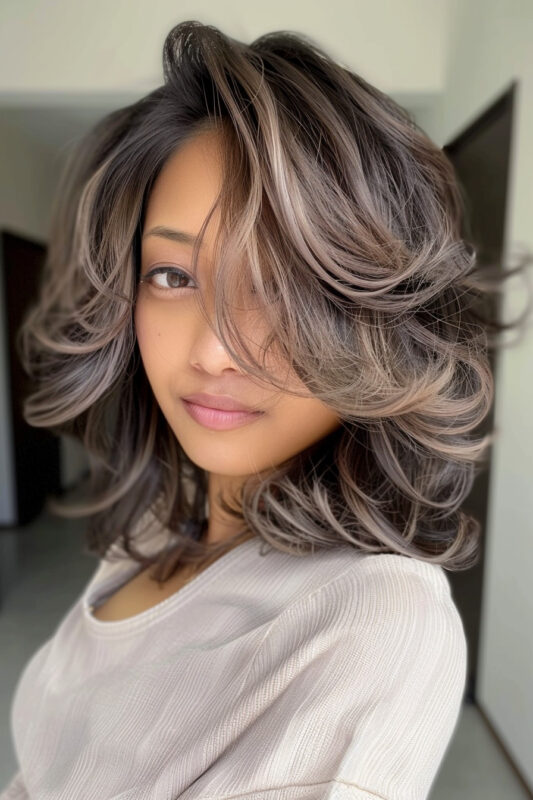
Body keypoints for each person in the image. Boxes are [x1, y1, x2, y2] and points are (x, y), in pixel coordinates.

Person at [1, 19, 529, 800]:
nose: (214, 350)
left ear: (380, 318)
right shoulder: (157, 532)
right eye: (174, 276)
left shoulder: (372, 623)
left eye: (283, 288)